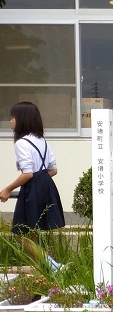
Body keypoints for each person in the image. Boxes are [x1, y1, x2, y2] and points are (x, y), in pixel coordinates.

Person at [0, 101, 66, 272]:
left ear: (22, 119)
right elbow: (53, 169)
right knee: (31, 233)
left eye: (13, 117)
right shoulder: (41, 140)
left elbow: (27, 173)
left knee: (23, 235)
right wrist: (40, 180)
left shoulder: (21, 143)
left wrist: (7, 189)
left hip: (32, 190)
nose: (10, 121)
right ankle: (40, 271)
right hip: (46, 185)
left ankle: (54, 267)